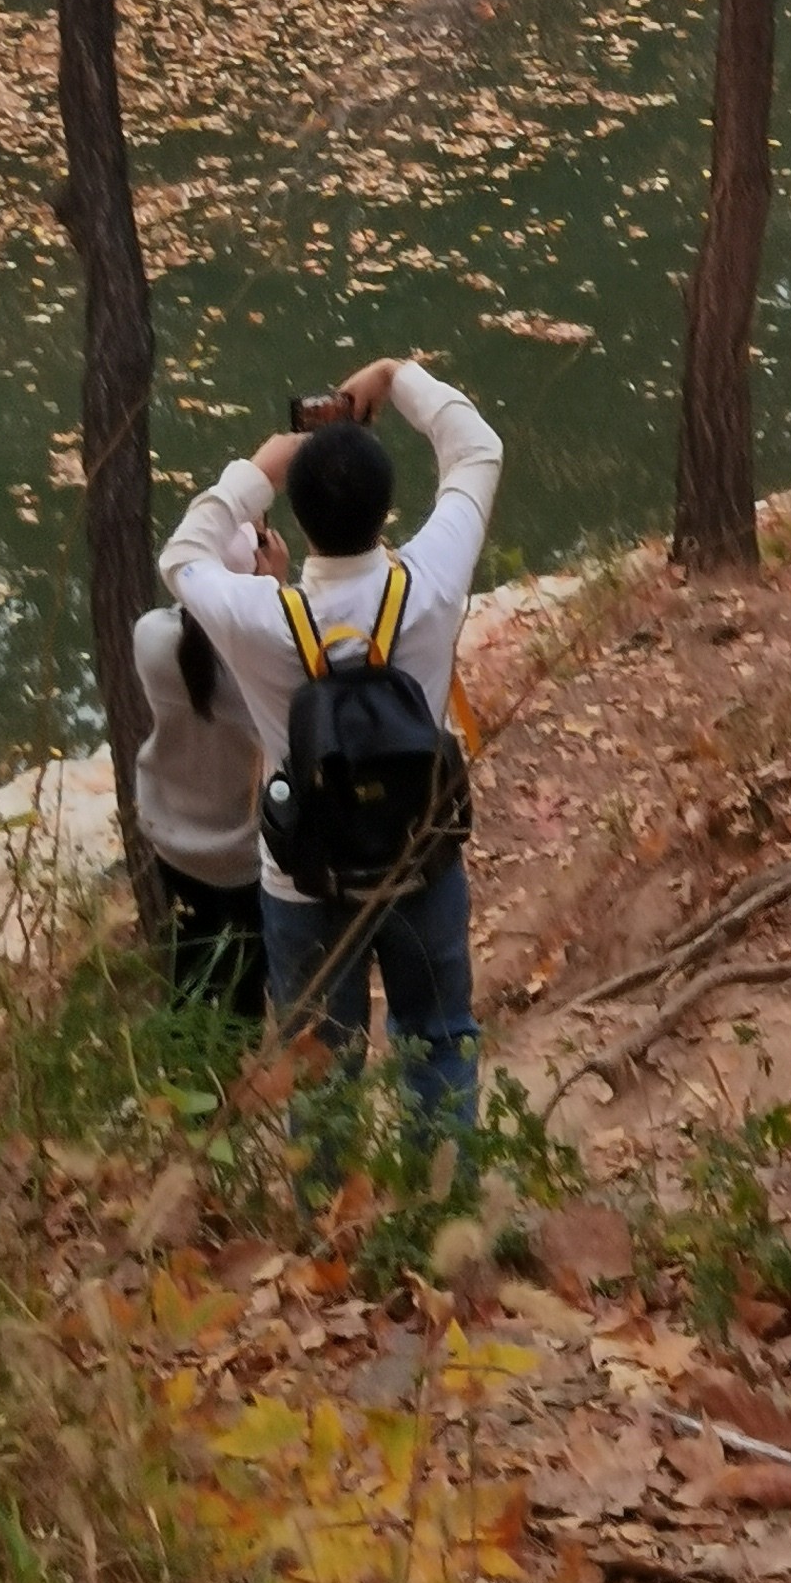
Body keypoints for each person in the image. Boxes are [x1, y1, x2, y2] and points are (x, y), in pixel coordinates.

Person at [160, 354, 502, 1137]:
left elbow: (180, 558)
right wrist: (394, 377)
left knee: (318, 1059)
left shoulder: (258, 617)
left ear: (299, 521)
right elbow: (476, 450)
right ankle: (440, 1208)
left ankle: (327, 1232)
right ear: (388, 510)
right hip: (421, 857)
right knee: (440, 1038)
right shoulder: (431, 582)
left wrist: (261, 469)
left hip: (304, 879)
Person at [131, 495, 286, 1021]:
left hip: (174, 844)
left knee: (189, 966)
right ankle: (233, 1081)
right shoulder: (262, 658)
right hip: (244, 856)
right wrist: (274, 588)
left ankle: (183, 1075)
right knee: (245, 982)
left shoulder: (150, 636)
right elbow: (282, 655)